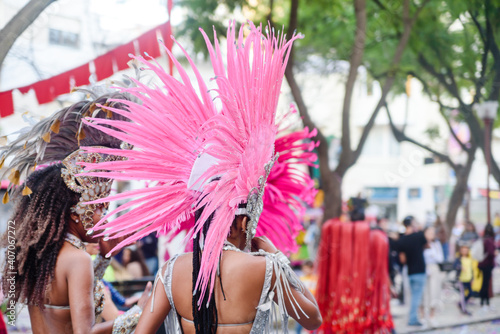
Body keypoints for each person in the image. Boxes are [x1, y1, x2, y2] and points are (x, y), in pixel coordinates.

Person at [76, 22, 322, 333]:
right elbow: (313, 319)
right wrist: (276, 255)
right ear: (244, 222)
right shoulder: (266, 268)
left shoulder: (172, 270)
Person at [0, 91, 150, 333]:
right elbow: (85, 331)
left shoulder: (40, 256)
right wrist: (139, 313)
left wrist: (104, 258)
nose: (104, 217)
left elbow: (69, 306)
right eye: (100, 207)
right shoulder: (77, 259)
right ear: (75, 212)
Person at [397, 216, 432, 327]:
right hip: (420, 270)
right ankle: (412, 319)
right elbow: (428, 245)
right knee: (417, 297)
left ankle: (414, 317)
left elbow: (403, 260)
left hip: (410, 271)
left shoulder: (401, 240)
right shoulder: (419, 236)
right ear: (412, 224)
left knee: (413, 296)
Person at [422, 226, 444, 327]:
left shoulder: (436, 244)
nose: (431, 234)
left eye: (432, 232)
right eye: (429, 232)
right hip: (423, 269)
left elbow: (440, 258)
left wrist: (432, 254)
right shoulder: (421, 244)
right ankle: (423, 317)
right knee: (424, 294)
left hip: (434, 268)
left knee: (434, 292)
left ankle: (432, 316)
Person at [295, 260, 318, 334]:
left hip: (314, 305)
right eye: (304, 268)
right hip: (303, 305)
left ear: (312, 269)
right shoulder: (300, 279)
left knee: (314, 324)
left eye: (307, 268)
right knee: (300, 323)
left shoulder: (316, 279)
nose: (306, 270)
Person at [478, 224, 496, 311]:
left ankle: (484, 301)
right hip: (487, 264)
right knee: (485, 283)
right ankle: (485, 301)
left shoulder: (484, 239)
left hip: (483, 264)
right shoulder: (489, 240)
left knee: (484, 282)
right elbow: (490, 253)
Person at [454, 243, 474, 315]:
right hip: (462, 279)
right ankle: (463, 309)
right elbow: (455, 265)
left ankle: (461, 304)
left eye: (466, 250)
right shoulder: (459, 259)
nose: (465, 252)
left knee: (470, 293)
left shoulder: (469, 259)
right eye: (463, 250)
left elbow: (471, 269)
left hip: (468, 279)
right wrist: (460, 267)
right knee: (462, 295)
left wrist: (472, 278)